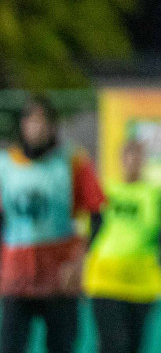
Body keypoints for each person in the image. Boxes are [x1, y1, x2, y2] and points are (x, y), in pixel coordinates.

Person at [0, 94, 104, 353]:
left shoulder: (71, 161)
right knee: (10, 345)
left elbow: (97, 214)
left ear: (53, 126)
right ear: (22, 125)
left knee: (61, 346)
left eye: (42, 120)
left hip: (60, 275)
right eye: (30, 120)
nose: (36, 127)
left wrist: (79, 261)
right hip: (17, 275)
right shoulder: (6, 165)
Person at [83, 137, 161, 353]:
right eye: (128, 156)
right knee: (113, 344)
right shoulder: (106, 191)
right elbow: (86, 228)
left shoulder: (156, 194)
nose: (132, 161)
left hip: (142, 284)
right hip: (106, 280)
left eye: (137, 156)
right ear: (120, 160)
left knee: (133, 345)